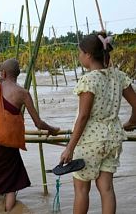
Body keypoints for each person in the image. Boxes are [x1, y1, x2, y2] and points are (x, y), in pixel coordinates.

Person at [0, 58, 59, 211]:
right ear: (18, 74)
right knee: (10, 183)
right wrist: (52, 130)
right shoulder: (23, 94)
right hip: (7, 143)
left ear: (2, 73)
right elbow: (38, 123)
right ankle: (9, 210)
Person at [58, 33, 136, 214]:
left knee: (81, 190)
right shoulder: (119, 76)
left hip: (90, 141)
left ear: (88, 55)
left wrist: (70, 147)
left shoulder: (89, 80)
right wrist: (131, 122)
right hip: (112, 140)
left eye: (80, 53)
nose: (79, 57)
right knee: (107, 188)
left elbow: (83, 117)